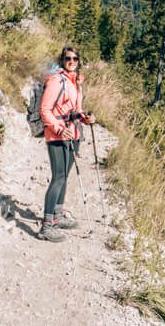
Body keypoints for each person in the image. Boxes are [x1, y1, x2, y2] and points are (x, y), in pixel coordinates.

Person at [38, 46, 95, 242]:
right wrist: (60, 128)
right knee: (58, 177)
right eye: (67, 58)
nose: (71, 61)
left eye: (75, 58)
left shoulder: (74, 82)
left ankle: (58, 214)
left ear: (79, 61)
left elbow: (75, 109)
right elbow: (44, 110)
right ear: (62, 60)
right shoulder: (56, 80)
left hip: (74, 133)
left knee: (65, 176)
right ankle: (47, 226)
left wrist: (84, 117)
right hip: (57, 135)